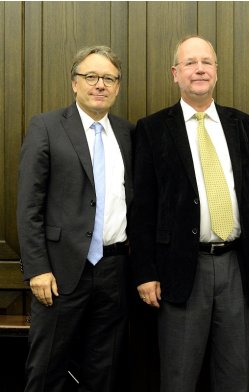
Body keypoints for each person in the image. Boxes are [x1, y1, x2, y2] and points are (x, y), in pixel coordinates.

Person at [130, 35, 249, 392]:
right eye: (190, 63)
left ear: (216, 71)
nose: (199, 69)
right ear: (175, 73)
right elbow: (143, 207)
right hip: (180, 269)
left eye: (206, 62)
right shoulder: (152, 129)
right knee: (179, 378)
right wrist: (145, 272)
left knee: (234, 376)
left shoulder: (243, 124)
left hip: (236, 268)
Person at [17, 45, 133, 391]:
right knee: (46, 371)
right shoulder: (47, 126)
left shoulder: (127, 133)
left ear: (117, 86)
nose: (100, 84)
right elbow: (29, 205)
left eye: (109, 78)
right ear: (74, 83)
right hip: (60, 272)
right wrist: (36, 268)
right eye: (91, 76)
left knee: (103, 371)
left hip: (114, 271)